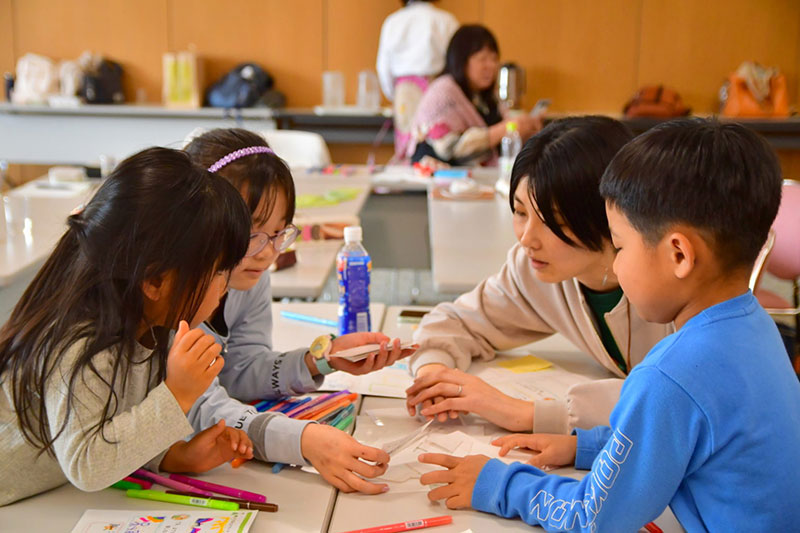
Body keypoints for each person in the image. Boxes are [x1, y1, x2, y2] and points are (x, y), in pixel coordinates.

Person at [417, 118, 800, 531]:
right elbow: (681, 439)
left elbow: (594, 517)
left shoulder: (669, 376)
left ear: (679, 255)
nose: (615, 266)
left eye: (620, 246)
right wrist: (587, 446)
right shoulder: (757, 327)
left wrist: (496, 483)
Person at [0, 148, 254, 506]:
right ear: (154, 281)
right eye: (218, 272)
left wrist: (174, 457)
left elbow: (113, 423)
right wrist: (177, 395)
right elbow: (88, 464)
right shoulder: (80, 344)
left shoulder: (151, 326)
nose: (225, 286)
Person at [185, 128, 417, 494]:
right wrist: (303, 441)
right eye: (252, 233)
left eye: (280, 233)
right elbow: (200, 410)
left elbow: (238, 370)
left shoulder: (250, 273)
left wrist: (320, 360)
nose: (268, 252)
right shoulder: (174, 294)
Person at [405, 116, 672, 434]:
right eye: (520, 212)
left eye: (552, 221)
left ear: (609, 215)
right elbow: (454, 321)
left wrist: (525, 413)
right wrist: (435, 377)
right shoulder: (535, 270)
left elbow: (681, 398)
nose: (527, 238)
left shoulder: (675, 283)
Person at [407, 24, 540, 167]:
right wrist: (506, 128)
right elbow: (448, 147)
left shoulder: (486, 96)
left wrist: (527, 129)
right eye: (482, 59)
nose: (491, 66)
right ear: (461, 60)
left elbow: (505, 138)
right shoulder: (443, 92)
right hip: (434, 175)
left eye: (494, 59)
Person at [376, 0, 458, 160]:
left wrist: (395, 95)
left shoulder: (393, 21)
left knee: (408, 150)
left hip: (404, 94)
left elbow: (383, 68)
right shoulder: (446, 20)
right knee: (436, 147)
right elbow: (456, 63)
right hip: (438, 90)